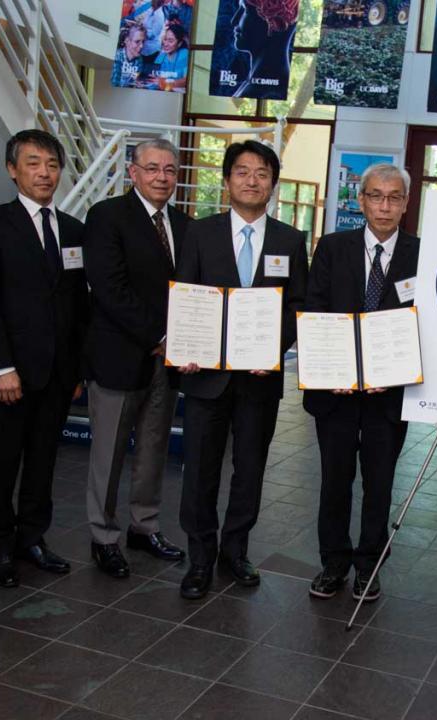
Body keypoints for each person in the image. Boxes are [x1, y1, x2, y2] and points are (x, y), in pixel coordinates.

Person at [174, 140, 308, 599]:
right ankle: (199, 559)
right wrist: (185, 345)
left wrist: (272, 348)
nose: (253, 180)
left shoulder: (290, 240)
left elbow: (298, 306)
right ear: (227, 179)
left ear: (273, 182)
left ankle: (235, 551)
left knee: (249, 470)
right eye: (243, 172)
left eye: (262, 173)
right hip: (204, 376)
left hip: (259, 380)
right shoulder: (200, 232)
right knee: (200, 472)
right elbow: (186, 296)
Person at [0, 130, 90, 588]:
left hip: (58, 374)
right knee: (3, 461)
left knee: (43, 461)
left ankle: (32, 539)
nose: (44, 172)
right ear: (12, 169)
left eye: (52, 164)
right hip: (10, 372)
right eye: (34, 163)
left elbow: (77, 306)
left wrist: (76, 369)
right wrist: (1, 367)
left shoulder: (74, 230)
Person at [304, 164, 418, 602]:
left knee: (379, 484)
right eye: (375, 196)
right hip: (335, 394)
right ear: (360, 200)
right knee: (334, 481)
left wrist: (388, 373)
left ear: (406, 204)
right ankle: (333, 563)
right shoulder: (332, 248)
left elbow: (426, 322)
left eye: (393, 197)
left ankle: (369, 566)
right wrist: (328, 370)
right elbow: (316, 312)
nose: (384, 205)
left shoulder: (422, 255)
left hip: (388, 398)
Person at [82, 138, 190, 578]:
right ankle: (102, 536)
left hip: (167, 363)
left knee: (153, 449)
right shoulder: (107, 217)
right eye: (152, 168)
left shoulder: (185, 225)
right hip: (120, 357)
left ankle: (143, 527)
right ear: (133, 172)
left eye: (169, 170)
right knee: (108, 454)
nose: (161, 177)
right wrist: (160, 336)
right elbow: (109, 290)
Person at [229, 0, 298, 98]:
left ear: (273, 22)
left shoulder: (269, 93)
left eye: (245, 10)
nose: (234, 21)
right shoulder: (254, 84)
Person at [148, 24, 189, 91]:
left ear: (179, 43)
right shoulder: (161, 57)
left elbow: (186, 80)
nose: (166, 44)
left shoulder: (184, 54)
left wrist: (166, 84)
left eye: (170, 41)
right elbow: (154, 78)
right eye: (165, 39)